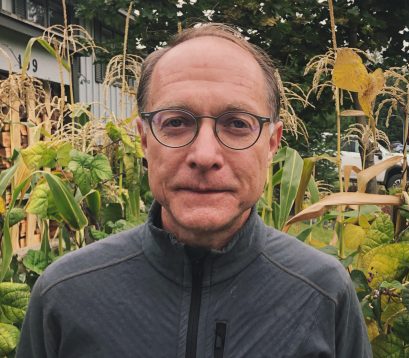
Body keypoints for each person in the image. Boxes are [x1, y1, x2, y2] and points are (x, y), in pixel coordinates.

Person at [17, 23, 371, 357]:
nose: (204, 155)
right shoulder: (64, 296)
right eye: (176, 122)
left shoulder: (324, 294)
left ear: (272, 143)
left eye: (236, 124)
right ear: (143, 139)